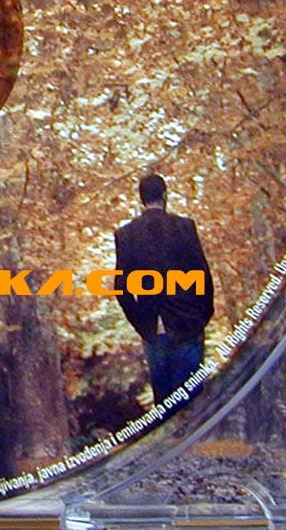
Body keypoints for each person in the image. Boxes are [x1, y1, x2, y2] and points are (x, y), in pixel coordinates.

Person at [114, 174, 214, 406]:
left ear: (141, 199)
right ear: (165, 195)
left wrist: (142, 324)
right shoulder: (184, 227)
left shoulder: (126, 234)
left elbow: (122, 289)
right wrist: (202, 315)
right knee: (192, 402)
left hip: (154, 326)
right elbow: (202, 274)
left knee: (165, 403)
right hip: (188, 322)